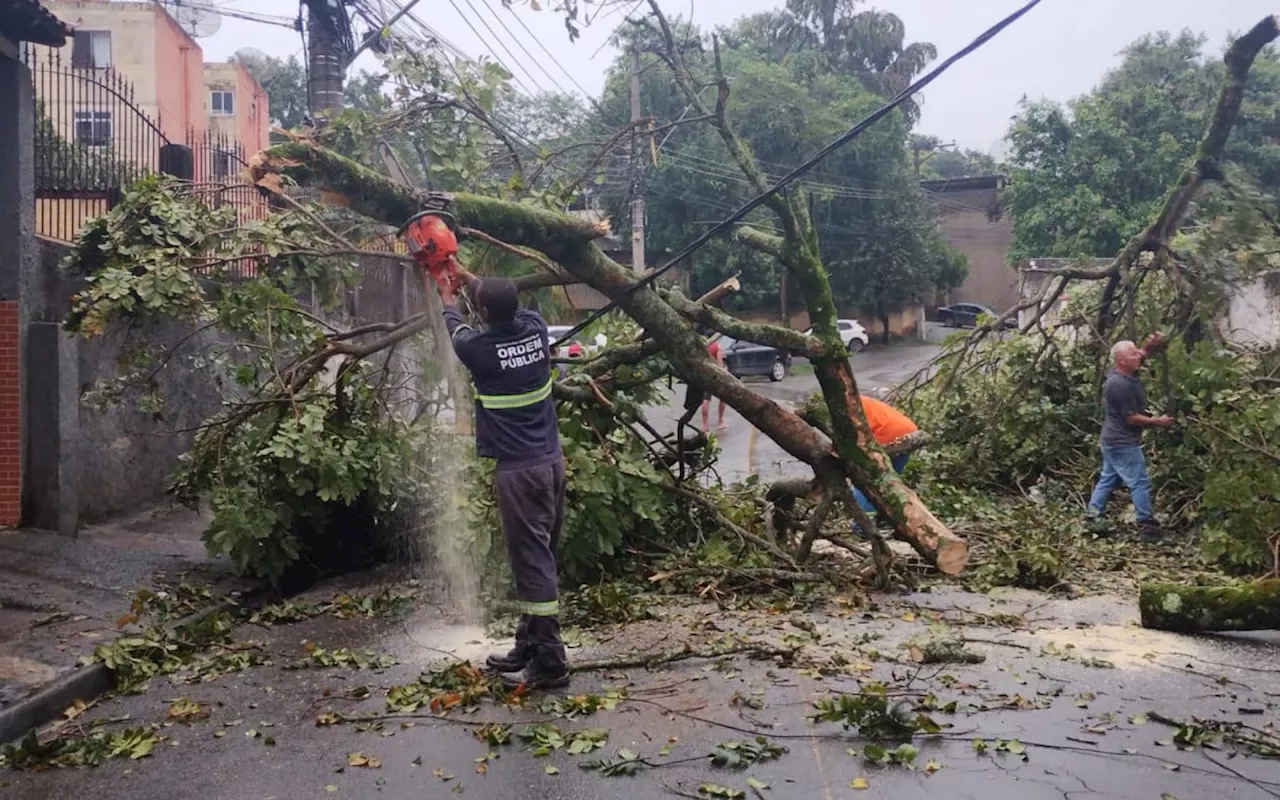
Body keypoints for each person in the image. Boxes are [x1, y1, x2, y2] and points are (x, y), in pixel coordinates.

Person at [432, 264, 569, 690]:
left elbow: (452, 320)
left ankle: (551, 661)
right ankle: (528, 643)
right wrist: (462, 272)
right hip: (550, 462)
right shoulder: (535, 328)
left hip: (520, 472)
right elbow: (488, 303)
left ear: (485, 311)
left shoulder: (479, 351)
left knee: (533, 561)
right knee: (538, 554)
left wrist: (444, 289)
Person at [1087, 334, 1173, 539]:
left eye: (1136, 352)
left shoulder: (1126, 370)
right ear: (1122, 361)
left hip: (1111, 439)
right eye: (1133, 354)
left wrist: (1148, 347)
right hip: (1121, 441)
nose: (1138, 357)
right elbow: (1132, 419)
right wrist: (1158, 422)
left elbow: (1140, 355)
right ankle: (1146, 524)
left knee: (1108, 478)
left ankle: (1092, 515)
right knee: (1139, 481)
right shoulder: (1119, 385)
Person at [850, 396, 919, 523]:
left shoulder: (842, 407)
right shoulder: (860, 399)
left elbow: (850, 440)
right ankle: (893, 519)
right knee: (890, 482)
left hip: (887, 433)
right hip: (909, 431)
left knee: (865, 480)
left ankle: (862, 525)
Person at [702, 338, 727, 432]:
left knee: (705, 401)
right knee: (723, 399)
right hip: (716, 377)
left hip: (705, 376)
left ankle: (705, 425)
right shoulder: (717, 347)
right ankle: (720, 421)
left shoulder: (704, 347)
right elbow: (720, 364)